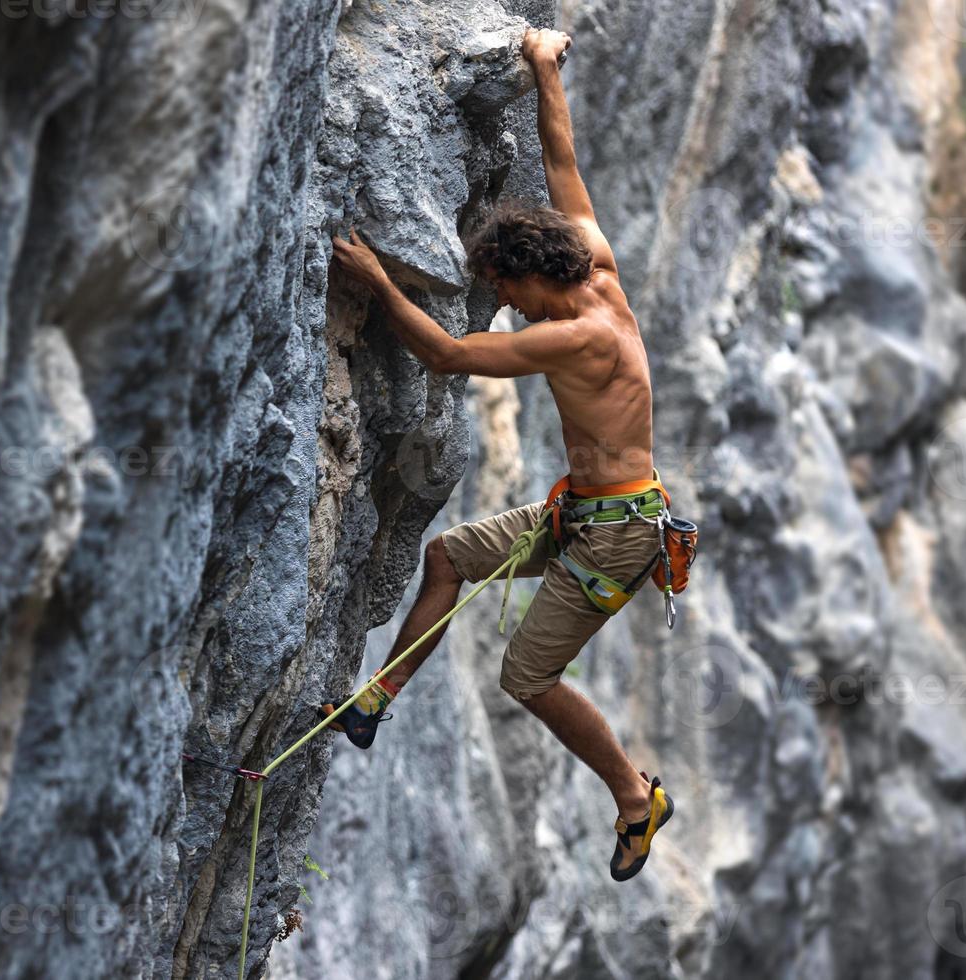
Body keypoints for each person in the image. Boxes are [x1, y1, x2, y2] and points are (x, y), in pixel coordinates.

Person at [326, 27, 673, 882]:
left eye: (504, 291)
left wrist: (376, 281)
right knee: (446, 558)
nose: (503, 305)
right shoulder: (590, 257)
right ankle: (375, 702)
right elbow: (562, 160)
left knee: (527, 675)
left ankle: (636, 797)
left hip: (620, 534)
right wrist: (543, 67)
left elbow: (447, 355)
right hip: (587, 509)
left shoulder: (582, 336)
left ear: (528, 279)